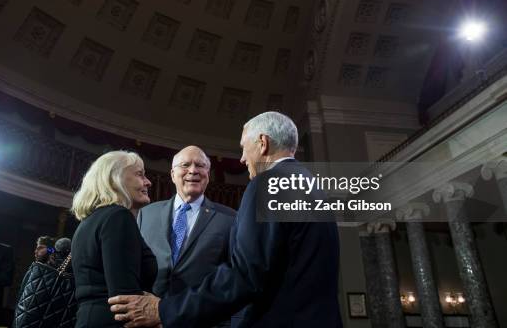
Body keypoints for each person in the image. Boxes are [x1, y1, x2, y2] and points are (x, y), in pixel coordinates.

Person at [109, 112, 342, 327]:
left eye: (243, 148)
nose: (241, 159)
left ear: (263, 143)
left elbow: (246, 274)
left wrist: (165, 310)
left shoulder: (266, 184)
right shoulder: (312, 186)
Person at [137, 146, 236, 325]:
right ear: (173, 174)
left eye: (200, 165)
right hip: (147, 320)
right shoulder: (147, 214)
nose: (193, 170)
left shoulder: (229, 219)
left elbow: (233, 278)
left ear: (208, 174)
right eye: (185, 165)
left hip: (202, 321)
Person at [71, 151, 158, 328]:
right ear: (115, 178)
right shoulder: (119, 217)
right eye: (140, 174)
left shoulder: (90, 221)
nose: (148, 182)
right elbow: (127, 300)